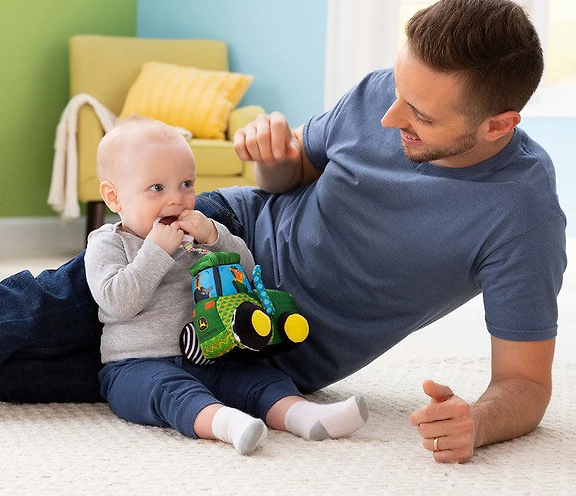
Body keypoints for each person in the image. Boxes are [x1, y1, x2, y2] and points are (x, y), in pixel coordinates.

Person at [0, 0, 565, 464]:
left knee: (2, 372)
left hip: (256, 343)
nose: (390, 114)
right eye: (397, 92)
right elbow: (293, 177)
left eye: (421, 116)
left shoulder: (521, 213)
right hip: (199, 238)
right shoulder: (382, 93)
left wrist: (478, 424)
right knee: (2, 316)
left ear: (500, 123)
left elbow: (524, 384)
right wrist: (273, 160)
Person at [84, 116, 367, 454]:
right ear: (114, 198)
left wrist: (216, 236)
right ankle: (225, 423)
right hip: (139, 365)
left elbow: (246, 271)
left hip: (215, 355)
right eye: (157, 188)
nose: (177, 199)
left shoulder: (197, 235)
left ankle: (304, 416)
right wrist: (157, 251)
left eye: (186, 184)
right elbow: (117, 301)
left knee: (259, 378)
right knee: (169, 392)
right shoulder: (108, 243)